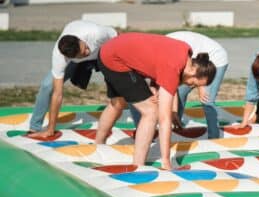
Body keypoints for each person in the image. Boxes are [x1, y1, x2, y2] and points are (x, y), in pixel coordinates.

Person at [94, 33, 215, 169]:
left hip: (109, 50)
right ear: (193, 70)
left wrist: (153, 87)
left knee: (118, 103)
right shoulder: (173, 68)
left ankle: (98, 145)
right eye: (193, 83)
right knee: (151, 112)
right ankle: (138, 165)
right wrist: (166, 160)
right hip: (115, 60)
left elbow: (155, 58)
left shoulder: (185, 53)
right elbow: (164, 120)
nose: (190, 85)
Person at [129, 31, 228, 138]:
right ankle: (176, 128)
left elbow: (172, 81)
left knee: (207, 100)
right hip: (196, 66)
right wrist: (173, 111)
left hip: (215, 59)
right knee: (181, 93)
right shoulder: (161, 56)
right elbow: (172, 84)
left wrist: (201, 86)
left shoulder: (167, 53)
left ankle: (214, 136)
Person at [28, 20, 117, 139]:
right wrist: (50, 129)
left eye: (85, 48)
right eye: (83, 54)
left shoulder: (96, 33)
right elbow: (57, 94)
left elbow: (118, 39)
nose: (87, 52)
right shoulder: (60, 57)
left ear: (81, 40)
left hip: (104, 52)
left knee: (125, 85)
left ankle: (140, 124)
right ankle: (34, 127)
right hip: (76, 62)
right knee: (47, 85)